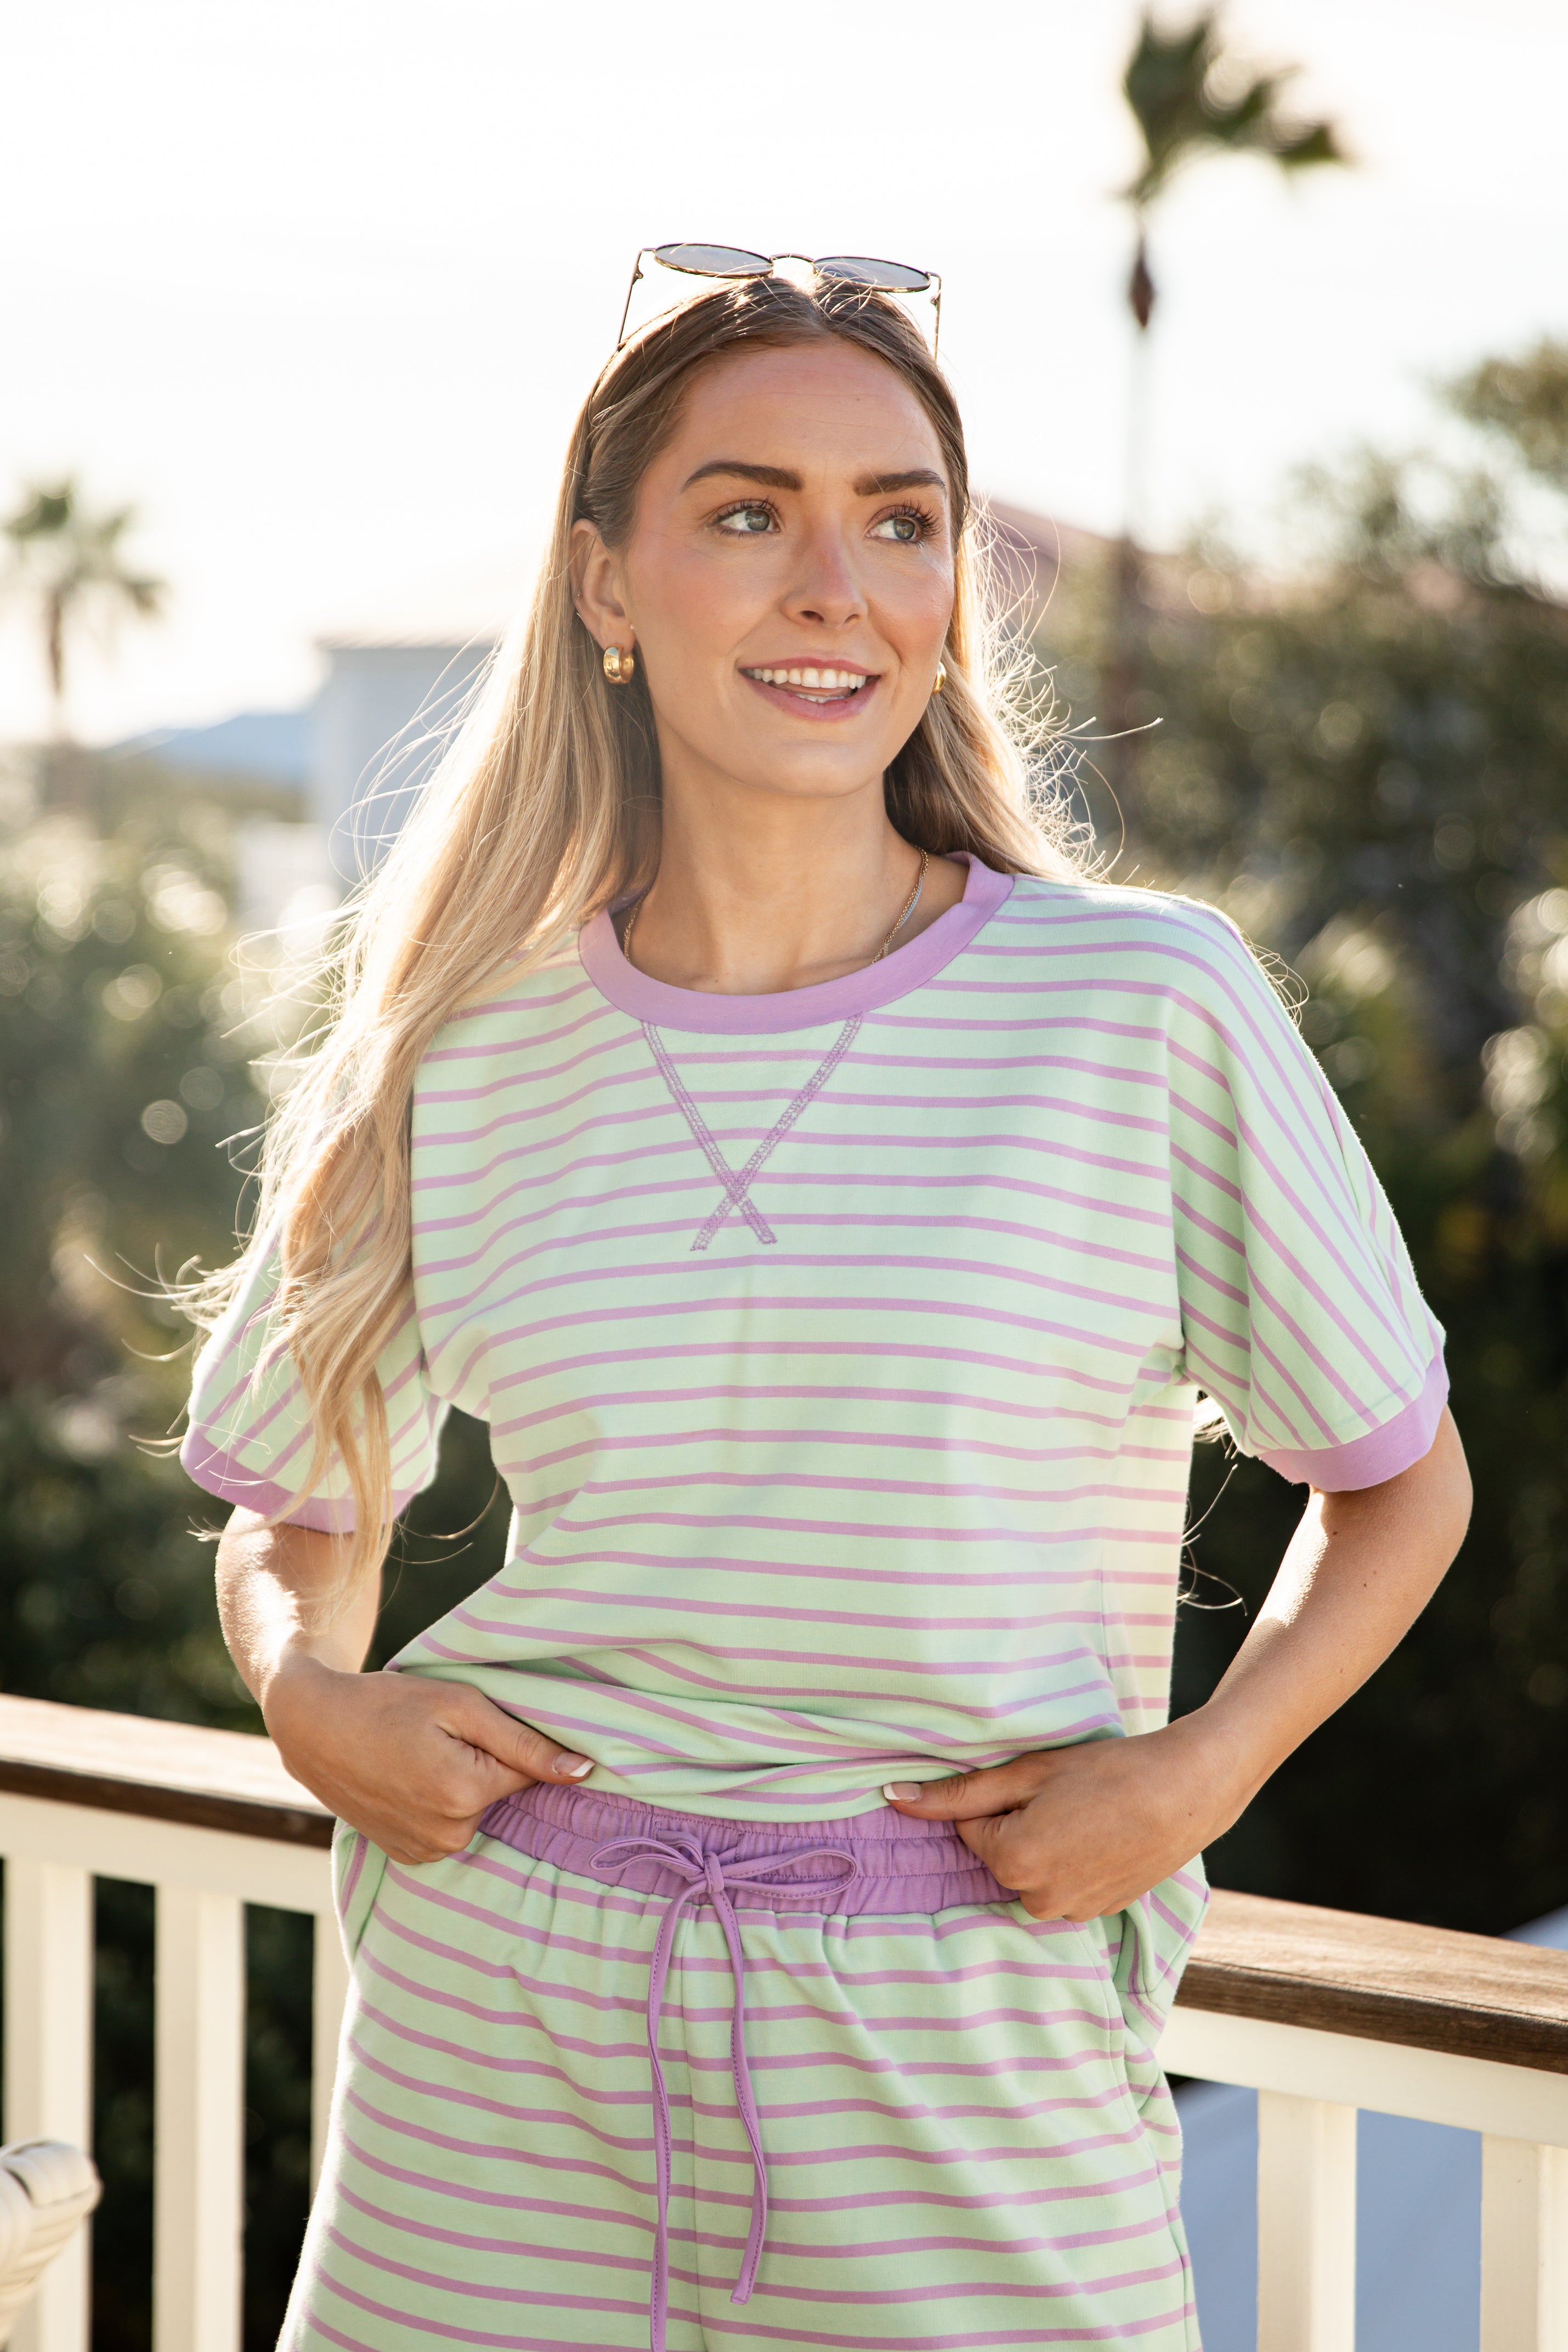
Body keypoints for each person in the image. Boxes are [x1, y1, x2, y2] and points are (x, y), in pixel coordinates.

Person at [183, 257, 1471, 2352]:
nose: (832, 584)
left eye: (898, 520)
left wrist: (1196, 1776)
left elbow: (1400, 1486)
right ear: (605, 585)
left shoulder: (1139, 1008)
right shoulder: (457, 1037)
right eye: (744, 511)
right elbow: (297, 1500)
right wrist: (311, 1700)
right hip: (492, 2056)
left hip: (969, 2060)